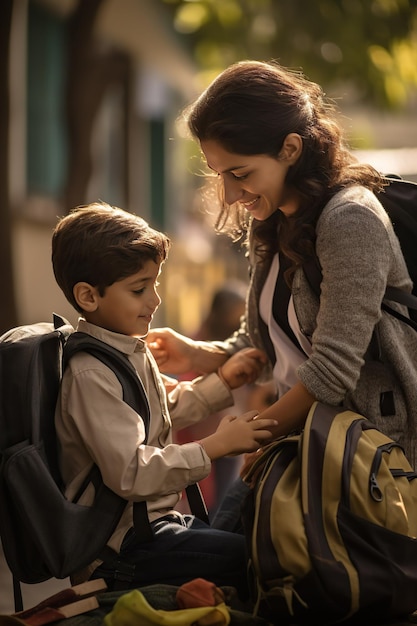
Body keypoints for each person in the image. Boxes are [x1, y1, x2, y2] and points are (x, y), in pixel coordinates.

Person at [146, 59, 417, 471]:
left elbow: (331, 370)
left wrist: (251, 435)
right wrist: (202, 355)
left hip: (366, 468)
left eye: (240, 173)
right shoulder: (272, 220)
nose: (232, 193)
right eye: (221, 174)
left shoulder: (351, 220)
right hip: (301, 449)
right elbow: (272, 343)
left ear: (290, 149)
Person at [51, 201, 276, 598]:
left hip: (159, 527)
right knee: (266, 559)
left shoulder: (126, 352)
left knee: (262, 523)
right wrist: (213, 447)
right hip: (124, 550)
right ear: (88, 296)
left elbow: (162, 411)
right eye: (139, 289)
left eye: (154, 283)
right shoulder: (91, 373)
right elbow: (131, 472)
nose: (154, 300)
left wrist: (222, 381)